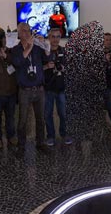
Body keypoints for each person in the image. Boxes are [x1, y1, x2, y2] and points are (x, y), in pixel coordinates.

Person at [11, 22, 49, 151]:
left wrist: (44, 44)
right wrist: (28, 47)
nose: (27, 33)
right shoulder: (15, 50)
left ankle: (40, 143)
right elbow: (17, 63)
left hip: (39, 89)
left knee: (41, 119)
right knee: (22, 120)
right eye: (24, 31)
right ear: (19, 33)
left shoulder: (37, 48)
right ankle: (21, 145)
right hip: (25, 91)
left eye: (28, 30)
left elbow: (47, 57)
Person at [43, 28, 73, 146]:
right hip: (48, 88)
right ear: (49, 38)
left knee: (64, 114)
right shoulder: (44, 52)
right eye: (53, 37)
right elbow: (37, 69)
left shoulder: (65, 51)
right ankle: (50, 136)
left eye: (58, 37)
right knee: (47, 114)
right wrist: (47, 66)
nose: (55, 39)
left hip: (62, 88)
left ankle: (64, 134)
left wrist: (65, 69)